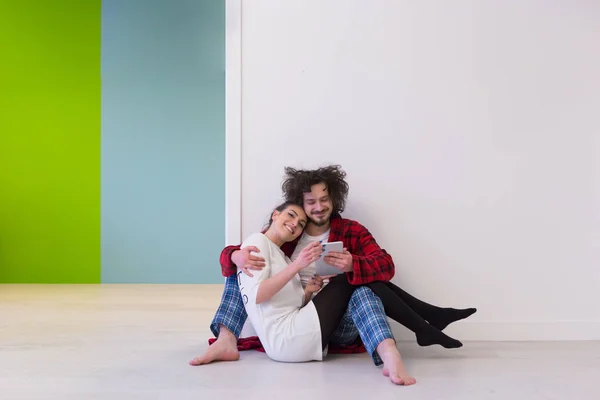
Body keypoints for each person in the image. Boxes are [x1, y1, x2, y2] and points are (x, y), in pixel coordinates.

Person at [191, 165, 476, 385]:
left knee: (361, 285)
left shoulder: (351, 230)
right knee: (241, 267)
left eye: (324, 199)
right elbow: (245, 260)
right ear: (296, 207)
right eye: (310, 202)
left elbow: (386, 266)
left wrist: (354, 265)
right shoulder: (289, 236)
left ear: (333, 199)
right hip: (299, 321)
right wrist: (234, 255)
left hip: (342, 325)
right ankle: (226, 339)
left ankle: (395, 350)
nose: (318, 207)